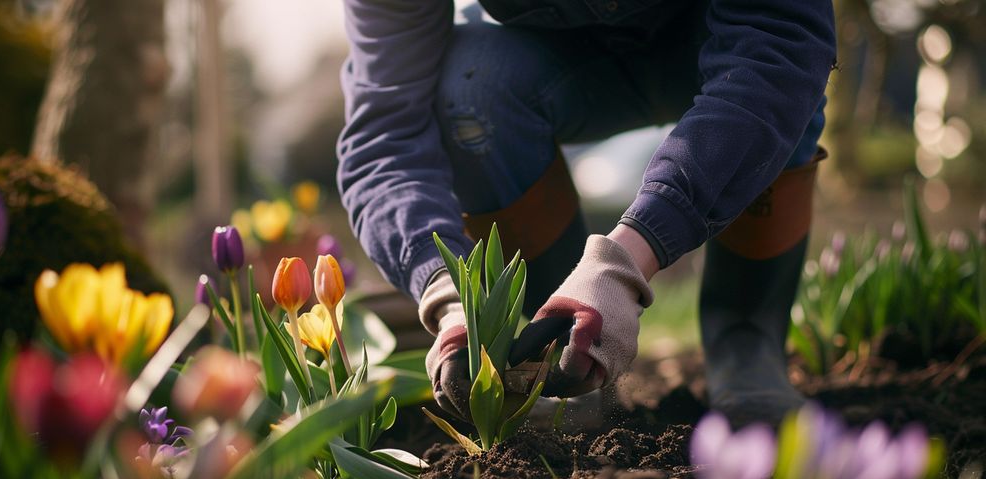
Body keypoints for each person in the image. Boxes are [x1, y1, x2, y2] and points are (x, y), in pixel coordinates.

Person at [336, 0, 836, 426]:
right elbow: (385, 138)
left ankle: (746, 340)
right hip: (561, 62)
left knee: (783, 81)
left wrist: (625, 264)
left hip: (723, 40)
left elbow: (781, 46)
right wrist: (450, 295)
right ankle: (554, 352)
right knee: (472, 87)